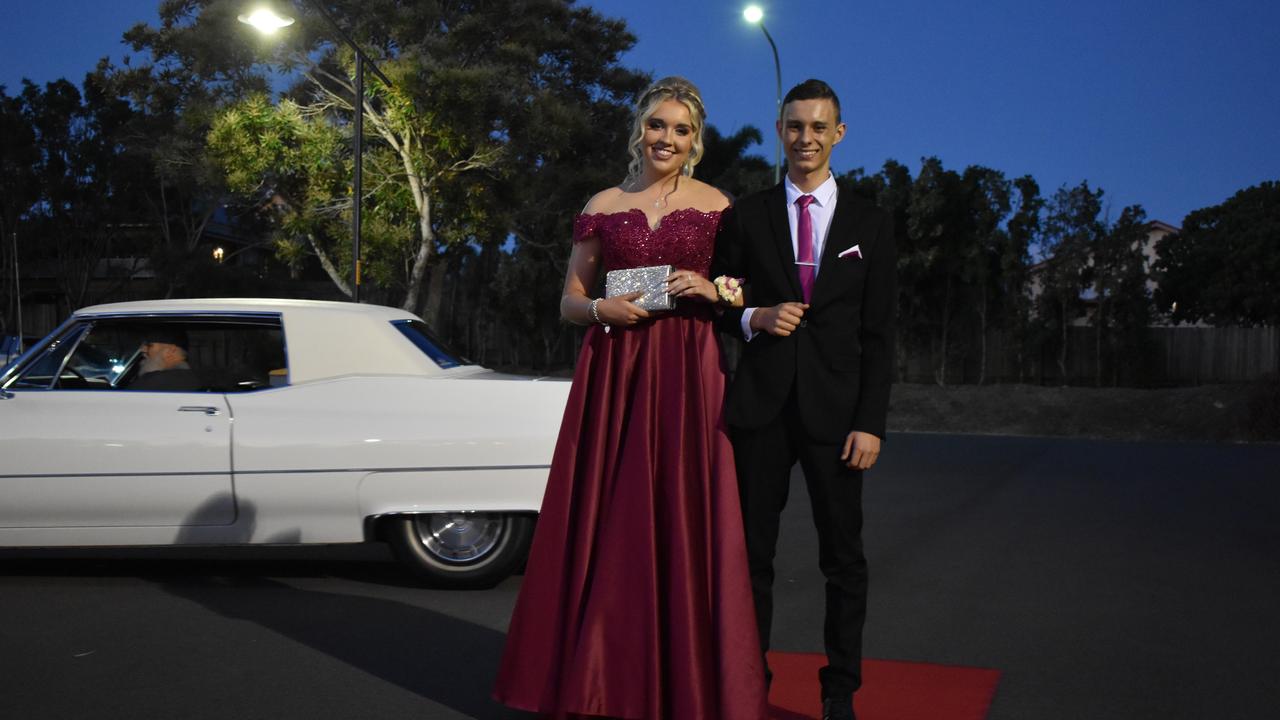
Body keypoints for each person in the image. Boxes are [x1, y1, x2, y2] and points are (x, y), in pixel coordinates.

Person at [494, 77, 769, 720]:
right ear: (639, 131)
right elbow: (568, 299)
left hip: (687, 368)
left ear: (694, 141)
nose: (666, 138)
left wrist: (711, 286)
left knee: (680, 514)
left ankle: (686, 684)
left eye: (679, 130)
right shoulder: (603, 202)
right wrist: (599, 307)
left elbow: (742, 288)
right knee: (604, 515)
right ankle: (596, 680)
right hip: (614, 368)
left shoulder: (719, 205)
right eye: (656, 126)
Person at [710, 79, 897, 720]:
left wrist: (870, 423)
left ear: (838, 134)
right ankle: (746, 682)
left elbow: (880, 335)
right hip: (761, 411)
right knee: (749, 559)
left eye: (819, 127)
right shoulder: (748, 215)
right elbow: (721, 295)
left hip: (838, 419)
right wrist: (754, 316)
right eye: (795, 126)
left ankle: (839, 691)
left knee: (843, 561)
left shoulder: (871, 222)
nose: (806, 138)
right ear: (780, 129)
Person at [130, 328, 202, 391]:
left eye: (149, 345)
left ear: (171, 350)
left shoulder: (154, 381)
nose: (143, 349)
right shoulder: (192, 379)